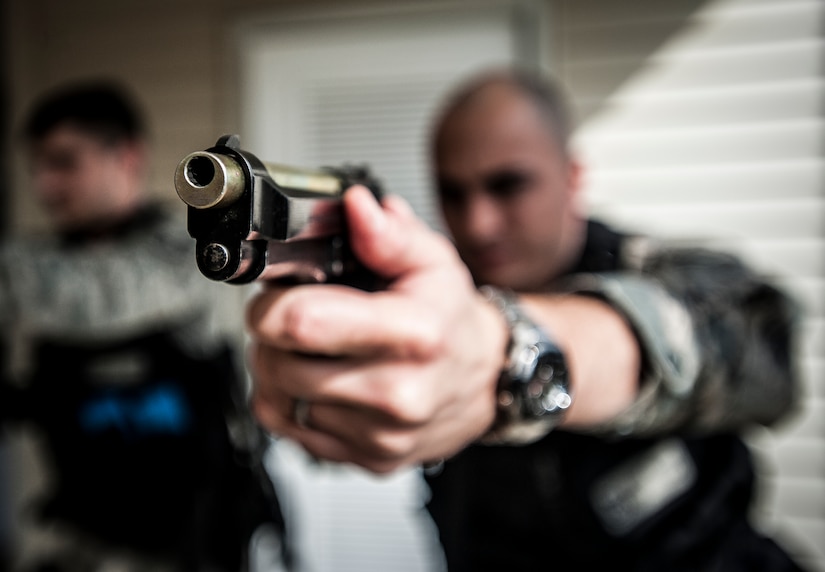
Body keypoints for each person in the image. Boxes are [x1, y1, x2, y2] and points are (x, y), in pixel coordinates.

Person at [245, 68, 806, 571]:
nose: (479, 222)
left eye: (507, 185)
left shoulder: (658, 272)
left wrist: (506, 351)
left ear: (572, 176)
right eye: (454, 192)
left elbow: (763, 345)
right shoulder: (431, 303)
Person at [0, 80, 287, 571]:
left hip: (200, 544)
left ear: (127, 157)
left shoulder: (194, 254)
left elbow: (104, 298)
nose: (45, 187)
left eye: (64, 162)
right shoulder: (27, 264)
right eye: (38, 168)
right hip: (84, 541)